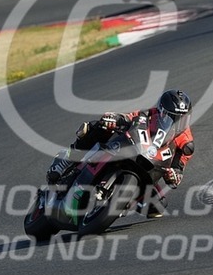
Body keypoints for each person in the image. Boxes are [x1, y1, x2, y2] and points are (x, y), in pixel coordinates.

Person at [45, 89, 195, 218]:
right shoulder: (150, 114)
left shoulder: (186, 144)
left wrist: (173, 175)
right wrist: (115, 118)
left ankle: (124, 199)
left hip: (150, 165)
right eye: (172, 117)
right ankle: (68, 158)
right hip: (131, 147)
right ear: (161, 111)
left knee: (158, 207)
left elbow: (178, 170)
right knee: (97, 127)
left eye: (183, 119)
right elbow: (130, 117)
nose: (177, 123)